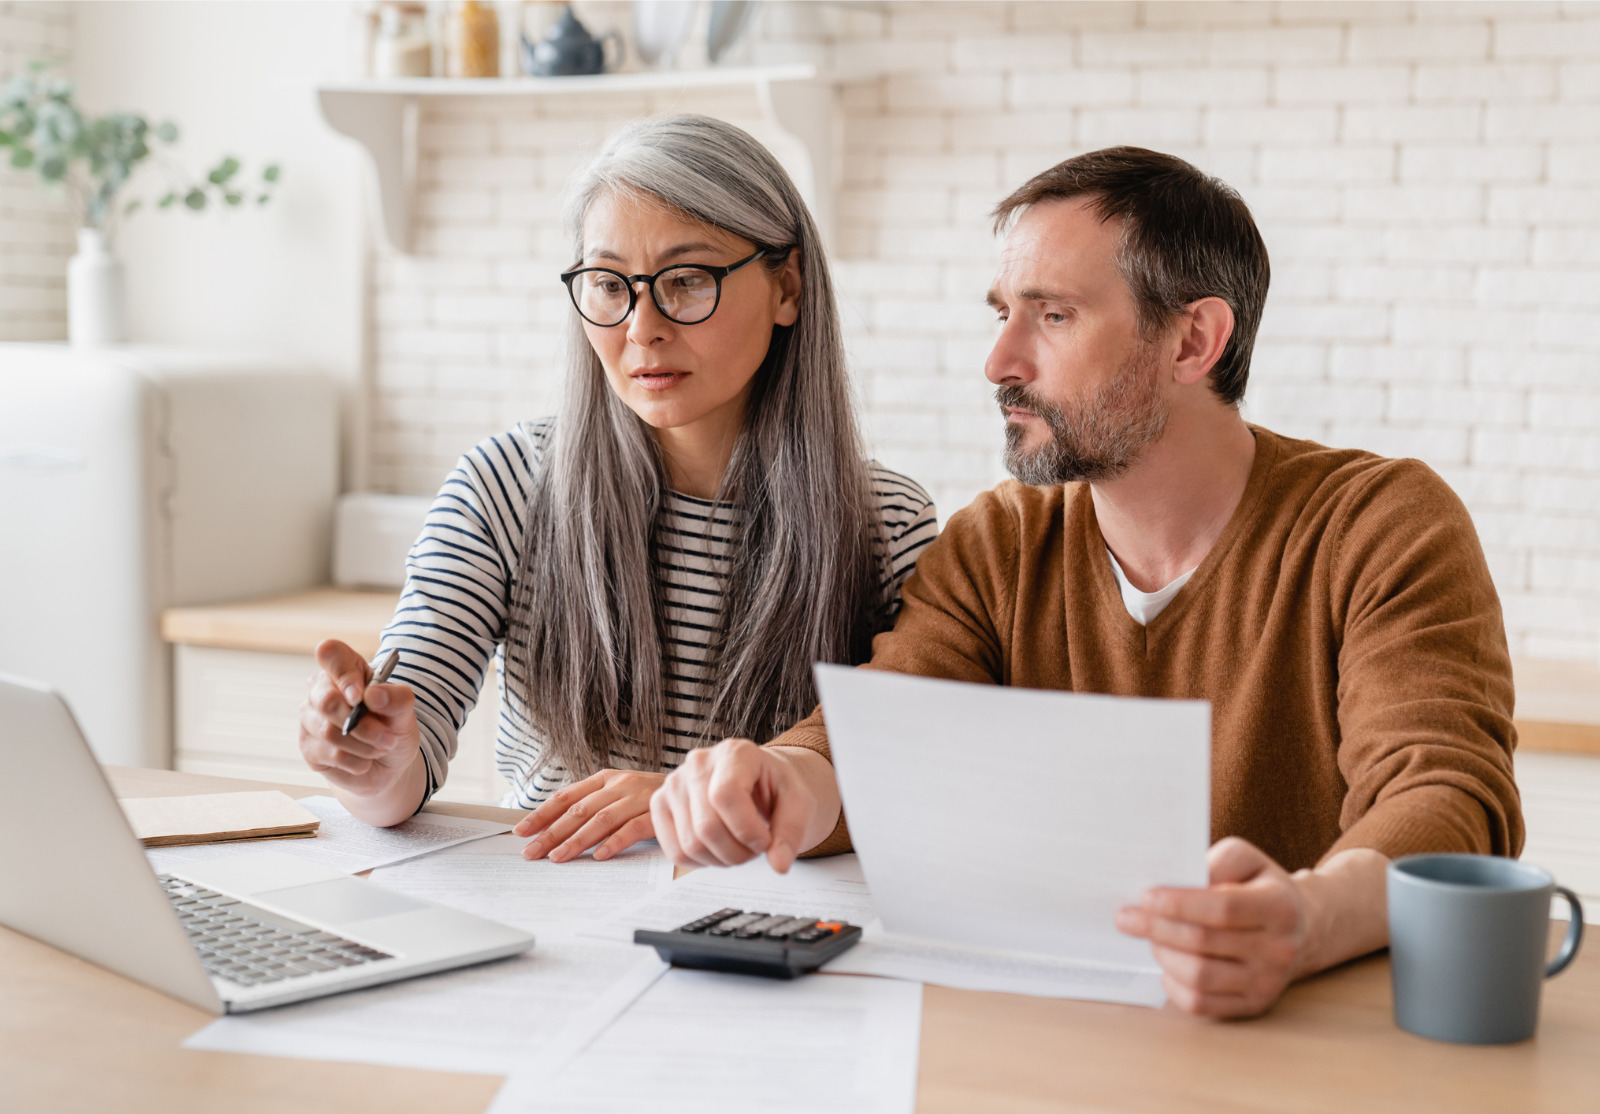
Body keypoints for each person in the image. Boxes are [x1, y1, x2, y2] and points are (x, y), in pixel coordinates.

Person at [649, 146, 1524, 1020]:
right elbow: (881, 736)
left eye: (1054, 316)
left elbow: (1447, 800)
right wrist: (776, 782)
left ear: (1194, 341)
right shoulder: (999, 542)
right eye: (1001, 314)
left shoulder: (1378, 524)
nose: (999, 361)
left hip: (1307, 1035)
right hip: (1060, 1030)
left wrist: (1306, 918)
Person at [296, 114, 937, 863]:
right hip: (558, 909)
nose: (642, 328)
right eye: (608, 285)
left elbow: (904, 782)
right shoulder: (508, 483)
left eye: (688, 281)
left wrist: (684, 806)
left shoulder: (886, 522)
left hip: (774, 924)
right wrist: (368, 755)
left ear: (787, 286)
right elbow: (405, 763)